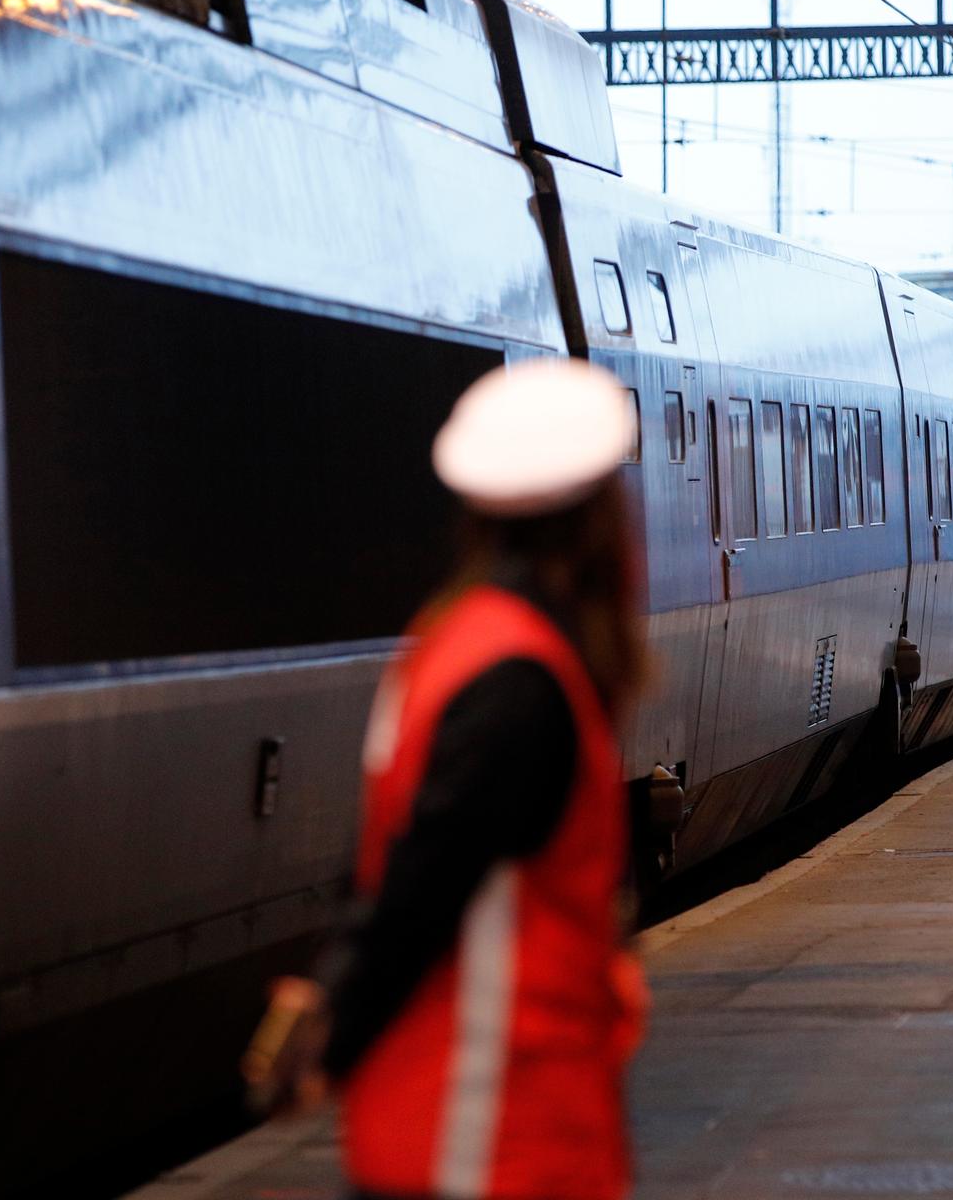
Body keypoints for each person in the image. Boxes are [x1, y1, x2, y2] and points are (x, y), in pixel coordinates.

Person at [244, 357, 649, 1200]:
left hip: (440, 1115)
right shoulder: (521, 680)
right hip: (494, 1127)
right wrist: (337, 1032)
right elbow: (419, 888)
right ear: (601, 516)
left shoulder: (452, 639)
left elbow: (387, 864)